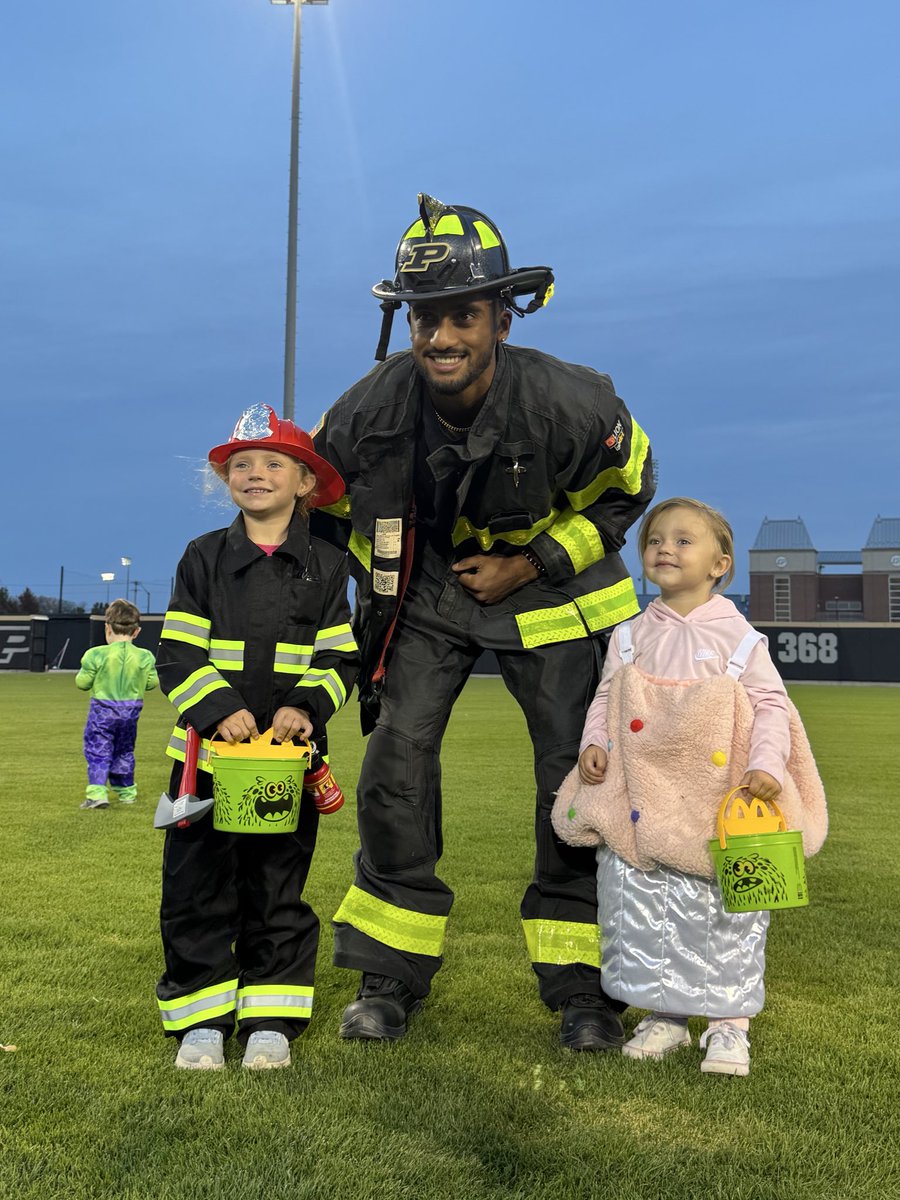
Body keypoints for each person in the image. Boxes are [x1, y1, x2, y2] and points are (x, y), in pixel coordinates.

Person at [310, 193, 655, 1048]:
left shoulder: (574, 402)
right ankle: (389, 976)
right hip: (426, 599)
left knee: (576, 783)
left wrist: (530, 562)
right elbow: (321, 505)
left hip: (554, 596)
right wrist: (368, 588)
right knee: (395, 761)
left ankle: (587, 993)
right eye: (425, 318)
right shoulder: (366, 410)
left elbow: (630, 487)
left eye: (463, 315)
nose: (442, 338)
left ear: (502, 315)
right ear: (408, 322)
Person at [552, 498, 828, 1076]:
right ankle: (665, 1016)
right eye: (655, 540)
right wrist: (594, 744)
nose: (665, 549)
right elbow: (606, 699)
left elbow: (772, 707)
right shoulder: (629, 635)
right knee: (649, 906)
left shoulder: (740, 639)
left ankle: (729, 1026)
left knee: (725, 913)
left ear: (719, 564)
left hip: (721, 799)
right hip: (648, 797)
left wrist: (768, 768)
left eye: (683, 541)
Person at [154, 403, 359, 1071]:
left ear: (305, 483)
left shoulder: (329, 566)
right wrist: (216, 709)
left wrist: (306, 708)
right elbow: (177, 655)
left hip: (285, 768)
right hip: (206, 767)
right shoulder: (202, 558)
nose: (255, 473)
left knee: (278, 887)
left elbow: (340, 660)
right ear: (226, 482)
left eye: (274, 462)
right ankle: (202, 1022)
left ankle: (269, 1019)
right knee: (198, 889)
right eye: (241, 465)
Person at [76, 598, 158, 809]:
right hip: (130, 714)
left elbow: (82, 683)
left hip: (102, 712)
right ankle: (127, 791)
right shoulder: (145, 657)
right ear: (136, 631)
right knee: (125, 750)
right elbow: (152, 683)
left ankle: (97, 793)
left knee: (98, 750)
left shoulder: (96, 655)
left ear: (107, 628)